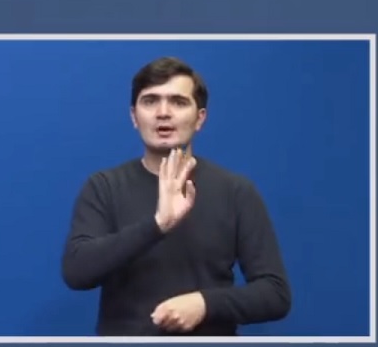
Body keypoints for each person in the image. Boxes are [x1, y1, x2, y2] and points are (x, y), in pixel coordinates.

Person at [60, 57, 291, 336]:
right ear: (134, 116)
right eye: (150, 101)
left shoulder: (236, 191)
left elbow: (275, 293)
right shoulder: (103, 187)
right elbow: (77, 272)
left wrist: (204, 304)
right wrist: (158, 225)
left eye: (178, 102)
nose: (163, 113)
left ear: (200, 118)